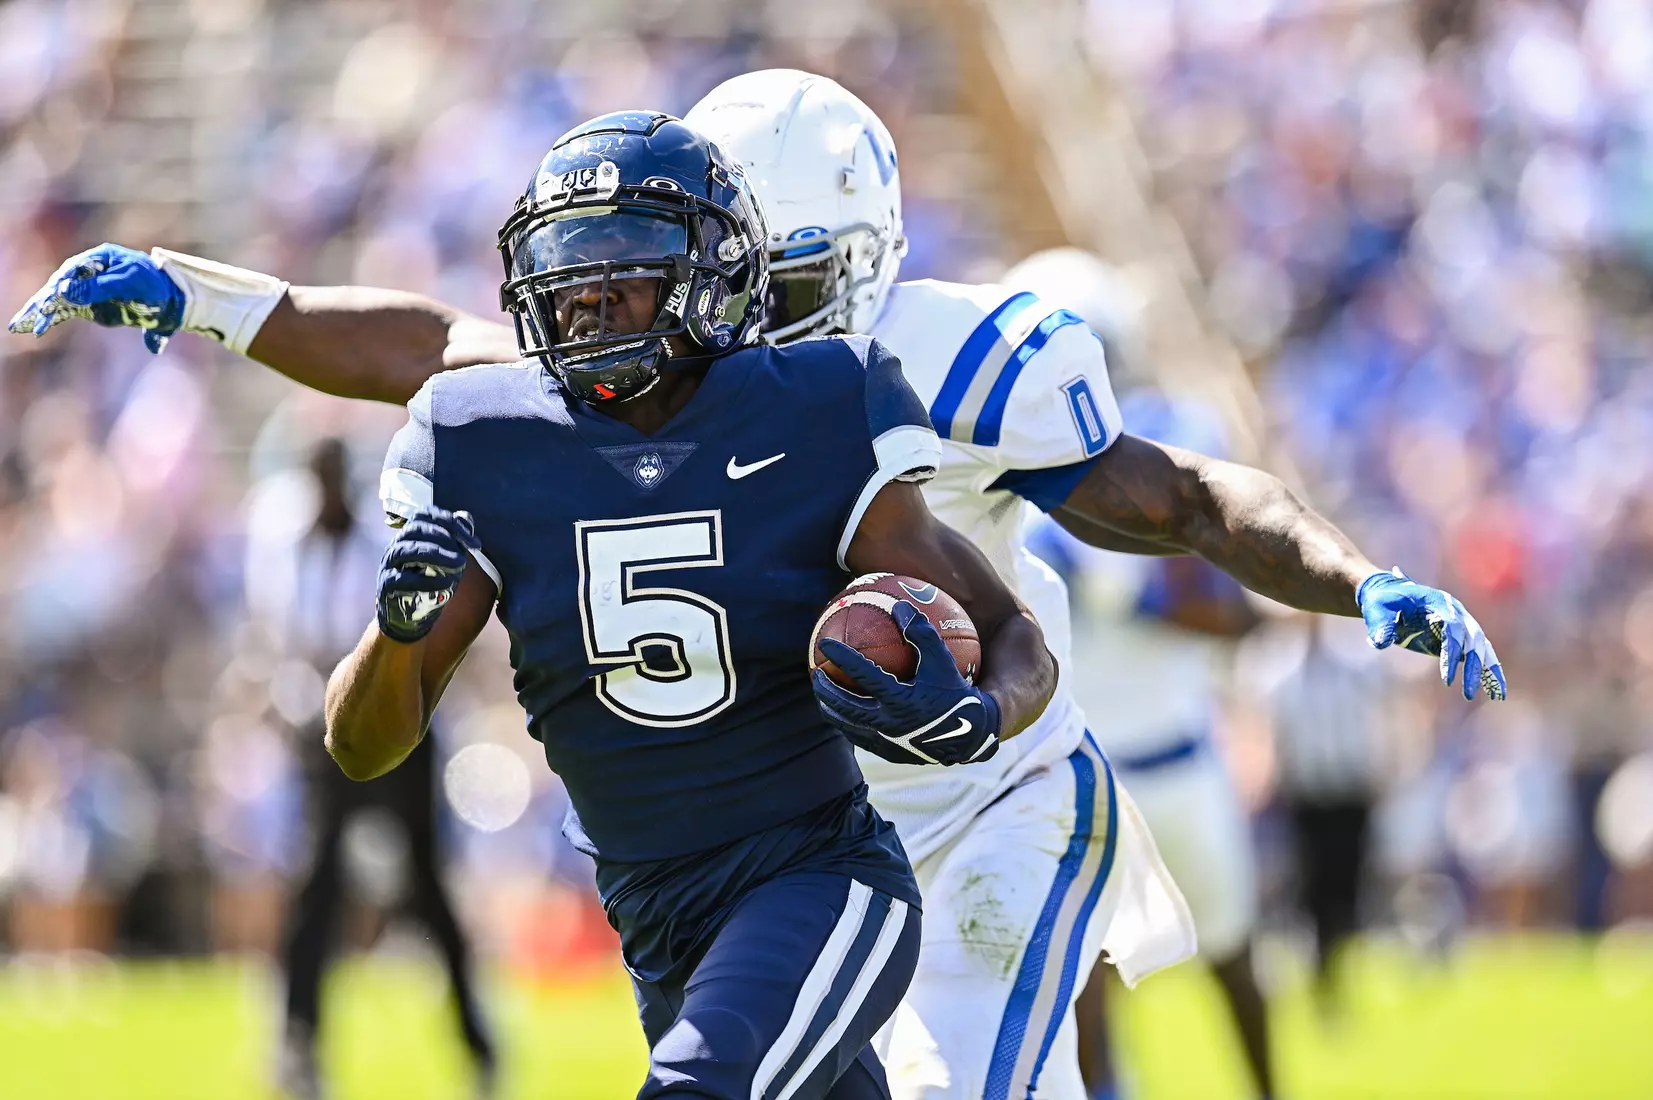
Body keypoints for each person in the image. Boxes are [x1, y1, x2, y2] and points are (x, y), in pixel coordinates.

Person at [10, 77, 1508, 1100]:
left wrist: (1362, 577)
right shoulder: (644, 357)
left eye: (780, 291)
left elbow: (1178, 500)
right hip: (772, 841)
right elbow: (423, 341)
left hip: (992, 801)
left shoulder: (931, 360)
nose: (733, 322)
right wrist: (207, 297)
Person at [12, 111, 1063, 1100]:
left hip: (818, 878)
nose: (586, 294)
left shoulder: (820, 403)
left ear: (712, 273)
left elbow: (1015, 634)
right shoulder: (493, 435)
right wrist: (397, 630)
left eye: (625, 263)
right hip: (657, 917)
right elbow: (362, 744)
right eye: (566, 265)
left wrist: (988, 712)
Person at [1006, 249, 1273, 1100]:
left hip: (1148, 757)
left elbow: (1230, 614)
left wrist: (1135, 593)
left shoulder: (1164, 434)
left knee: (1213, 959)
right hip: (1107, 764)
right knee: (1098, 977)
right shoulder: (1022, 458)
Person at [248, 437, 495, 1100]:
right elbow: (282, 642)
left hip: (394, 724)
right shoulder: (284, 545)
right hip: (321, 731)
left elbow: (395, 641)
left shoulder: (376, 543)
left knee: (426, 883)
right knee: (317, 886)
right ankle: (298, 1040)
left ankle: (478, 1041)